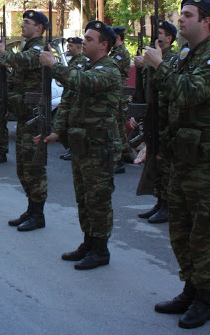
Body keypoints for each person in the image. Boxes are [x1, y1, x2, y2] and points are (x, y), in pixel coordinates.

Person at [142, 0, 210, 329]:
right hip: (181, 156)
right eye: (180, 14)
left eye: (187, 15)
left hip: (208, 160)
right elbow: (168, 99)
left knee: (205, 232)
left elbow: (190, 92)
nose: (180, 20)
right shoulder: (185, 54)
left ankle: (205, 298)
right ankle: (190, 288)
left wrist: (159, 66)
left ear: (206, 21)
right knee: (180, 229)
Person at [37, 20, 122, 269]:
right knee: (84, 198)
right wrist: (56, 131)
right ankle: (88, 242)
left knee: (98, 200)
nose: (83, 42)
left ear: (104, 45)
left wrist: (54, 65)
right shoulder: (85, 66)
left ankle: (100, 249)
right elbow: (68, 101)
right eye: (84, 37)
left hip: (100, 146)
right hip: (82, 144)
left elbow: (82, 83)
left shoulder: (109, 70)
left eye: (90, 39)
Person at [0, 10, 49, 230]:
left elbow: (22, 61)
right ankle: (31, 208)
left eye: (27, 23)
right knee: (23, 169)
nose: (22, 25)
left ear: (39, 28)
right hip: (24, 115)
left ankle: (39, 214)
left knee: (34, 168)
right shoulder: (26, 46)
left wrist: (2, 52)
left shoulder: (39, 49)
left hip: (35, 118)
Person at [134, 20, 178, 224]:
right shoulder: (153, 56)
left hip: (166, 114)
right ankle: (159, 201)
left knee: (165, 161)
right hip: (153, 112)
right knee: (154, 158)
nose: (155, 37)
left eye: (159, 33)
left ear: (169, 38)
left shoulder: (173, 58)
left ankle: (168, 205)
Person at [59, 36, 87, 161]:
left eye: (71, 46)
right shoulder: (72, 60)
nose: (68, 48)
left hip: (74, 96)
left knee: (72, 124)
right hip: (68, 95)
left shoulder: (82, 61)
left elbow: (74, 77)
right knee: (65, 125)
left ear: (79, 47)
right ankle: (70, 148)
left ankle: (73, 149)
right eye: (68, 45)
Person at [110, 26, 132, 174]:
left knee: (118, 129)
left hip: (119, 96)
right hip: (116, 95)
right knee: (118, 129)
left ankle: (119, 160)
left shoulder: (120, 54)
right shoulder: (115, 53)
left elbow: (113, 70)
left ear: (118, 37)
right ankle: (123, 155)